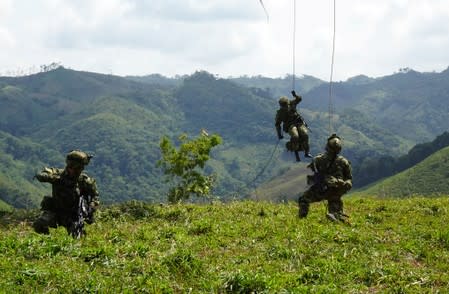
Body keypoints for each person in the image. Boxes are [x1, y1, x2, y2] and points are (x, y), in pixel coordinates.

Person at [33, 150, 99, 236]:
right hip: (56, 212)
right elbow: (40, 175)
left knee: (77, 234)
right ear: (68, 166)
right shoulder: (58, 174)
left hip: (73, 216)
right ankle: (47, 240)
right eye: (72, 168)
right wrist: (54, 178)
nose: (75, 171)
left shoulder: (84, 181)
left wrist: (91, 207)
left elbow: (95, 196)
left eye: (79, 168)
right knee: (39, 224)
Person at [298, 134, 352, 222]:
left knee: (303, 199)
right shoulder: (344, 162)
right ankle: (336, 216)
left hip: (320, 190)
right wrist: (346, 184)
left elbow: (312, 170)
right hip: (335, 193)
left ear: (327, 147)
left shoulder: (318, 159)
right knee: (336, 212)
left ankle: (301, 219)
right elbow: (349, 179)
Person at [275, 90, 311, 161]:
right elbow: (277, 124)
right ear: (281, 106)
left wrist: (295, 95)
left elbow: (299, 99)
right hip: (290, 125)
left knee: (305, 134)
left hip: (298, 122)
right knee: (295, 136)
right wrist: (279, 135)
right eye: (283, 106)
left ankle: (307, 152)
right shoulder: (280, 113)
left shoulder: (292, 104)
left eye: (286, 105)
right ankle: (294, 149)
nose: (285, 107)